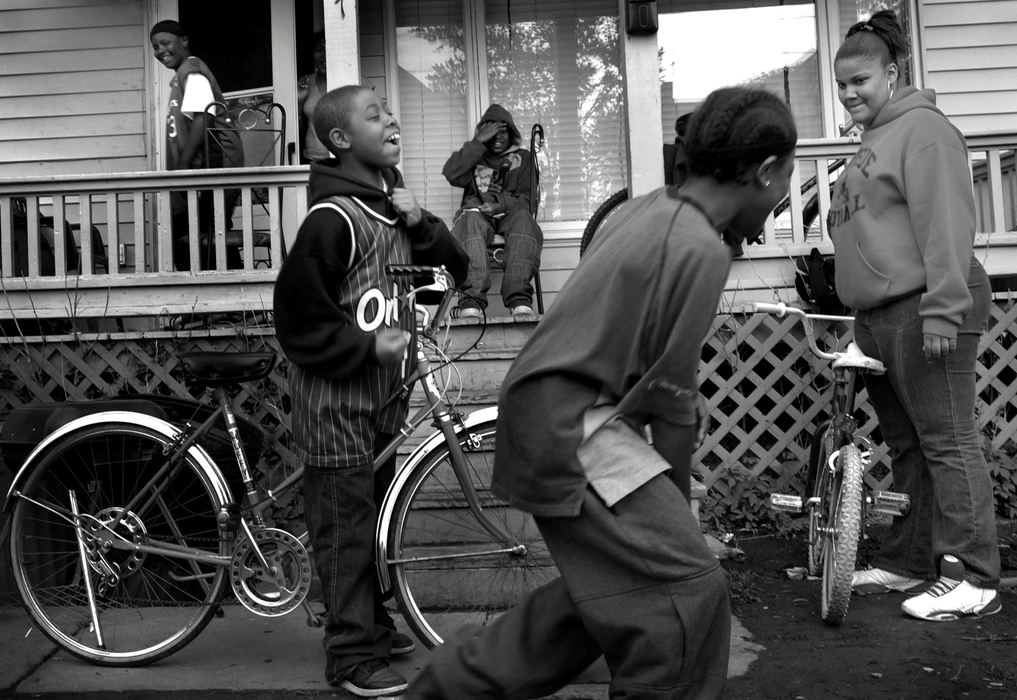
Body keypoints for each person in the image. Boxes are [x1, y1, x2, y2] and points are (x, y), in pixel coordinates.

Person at [408, 86, 798, 699]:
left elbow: (649, 371)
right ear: (768, 170)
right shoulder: (701, 247)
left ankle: (446, 688)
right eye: (784, 184)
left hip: (547, 410)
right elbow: (672, 403)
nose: (780, 202)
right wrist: (677, 520)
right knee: (688, 593)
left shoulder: (651, 209)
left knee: (610, 592)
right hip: (570, 423)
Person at [273, 85, 468, 696]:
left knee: (372, 525)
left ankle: (373, 626)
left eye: (389, 111)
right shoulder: (332, 220)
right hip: (335, 406)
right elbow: (298, 320)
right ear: (339, 140)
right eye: (374, 114)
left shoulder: (390, 209)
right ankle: (352, 656)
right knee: (346, 530)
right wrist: (366, 347)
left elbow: (456, 268)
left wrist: (423, 220)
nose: (391, 120)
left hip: (383, 400)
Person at [831, 11, 1002, 621]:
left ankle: (974, 576)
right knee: (907, 444)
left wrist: (943, 313)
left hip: (926, 305)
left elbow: (947, 225)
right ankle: (911, 562)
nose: (850, 94)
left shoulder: (924, 131)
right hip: (879, 314)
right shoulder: (873, 140)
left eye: (861, 81)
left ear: (893, 72)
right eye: (841, 85)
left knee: (947, 439)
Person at [151, 19, 243, 271]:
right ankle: (215, 307)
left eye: (165, 43)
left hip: (211, 165)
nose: (160, 50)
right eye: (155, 47)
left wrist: (182, 165)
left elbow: (204, 117)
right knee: (200, 232)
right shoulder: (181, 77)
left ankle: (226, 303)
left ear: (184, 42)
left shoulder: (192, 71)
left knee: (205, 233)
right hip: (196, 171)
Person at [442, 104, 543, 320]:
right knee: (470, 220)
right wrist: (478, 142)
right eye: (492, 133)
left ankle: (519, 300)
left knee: (524, 221)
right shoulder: (474, 157)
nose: (498, 137)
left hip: (510, 212)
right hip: (478, 214)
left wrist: (499, 205)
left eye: (503, 131)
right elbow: (451, 174)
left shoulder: (523, 157)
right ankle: (471, 301)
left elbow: (526, 199)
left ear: (512, 133)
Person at [297, 31, 331, 163]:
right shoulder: (305, 83)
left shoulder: (354, 79)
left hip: (343, 161)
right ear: (312, 55)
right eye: (319, 50)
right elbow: (295, 128)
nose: (324, 56)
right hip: (311, 159)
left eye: (328, 49)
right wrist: (299, 101)